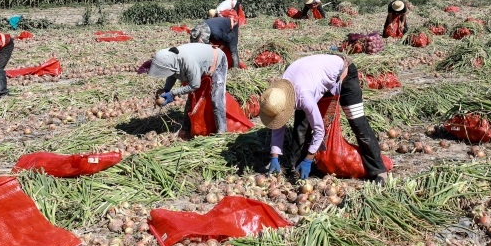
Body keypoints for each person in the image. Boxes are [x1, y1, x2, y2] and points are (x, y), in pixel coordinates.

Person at [259, 54, 387, 183]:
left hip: (343, 72)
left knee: (357, 121)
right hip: (315, 76)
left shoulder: (304, 97)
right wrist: (274, 156)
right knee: (301, 127)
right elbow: (278, 125)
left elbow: (319, 130)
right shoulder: (278, 93)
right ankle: (296, 170)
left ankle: (379, 170)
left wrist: (308, 160)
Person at [149, 43, 228, 134]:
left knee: (216, 98)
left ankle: (222, 130)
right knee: (192, 99)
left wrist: (172, 93)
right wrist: (166, 89)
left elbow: (195, 85)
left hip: (217, 60)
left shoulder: (188, 61)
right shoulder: (172, 60)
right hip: (200, 66)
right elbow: (172, 75)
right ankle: (186, 128)